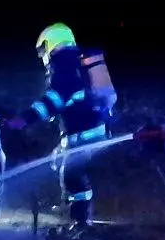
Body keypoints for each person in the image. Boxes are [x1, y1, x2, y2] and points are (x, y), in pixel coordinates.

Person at [8, 23, 113, 229]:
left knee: (72, 175)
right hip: (97, 129)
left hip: (83, 134)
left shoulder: (63, 65)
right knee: (62, 162)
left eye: (42, 49)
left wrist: (24, 119)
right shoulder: (78, 62)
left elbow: (54, 99)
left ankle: (80, 221)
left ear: (50, 44)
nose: (42, 56)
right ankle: (77, 210)